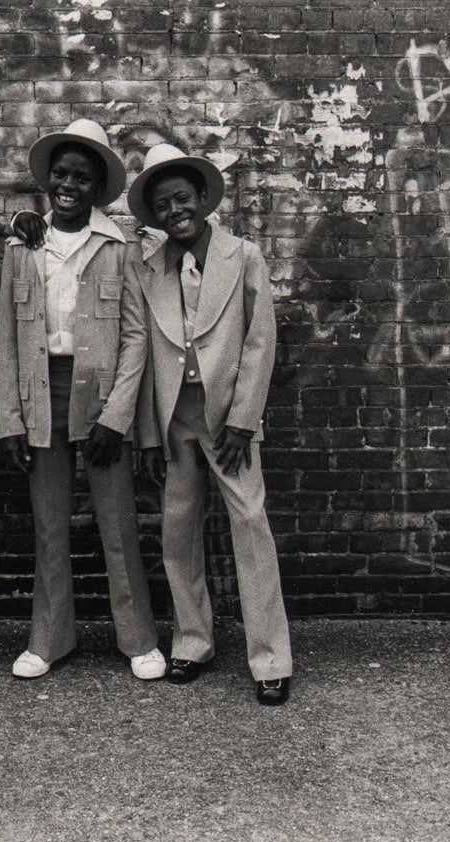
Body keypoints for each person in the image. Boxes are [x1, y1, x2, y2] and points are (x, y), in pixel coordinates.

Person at [0, 119, 165, 681]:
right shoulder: (23, 246)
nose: (69, 184)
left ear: (98, 188)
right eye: (61, 174)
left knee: (117, 522)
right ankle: (49, 639)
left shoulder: (119, 247)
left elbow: (137, 335)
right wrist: (11, 420)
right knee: (50, 524)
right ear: (47, 179)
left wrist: (117, 416)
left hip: (100, 396)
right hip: (41, 393)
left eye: (82, 178)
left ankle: (138, 639)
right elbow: (7, 339)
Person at [126, 143, 294, 705]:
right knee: (178, 532)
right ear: (153, 216)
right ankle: (193, 640)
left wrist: (245, 419)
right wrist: (149, 433)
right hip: (176, 419)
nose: (176, 211)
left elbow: (260, 339)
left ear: (202, 199)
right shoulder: (149, 267)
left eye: (183, 199)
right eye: (163, 205)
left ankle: (270, 657)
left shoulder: (242, 256)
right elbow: (145, 352)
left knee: (250, 525)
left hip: (229, 420)